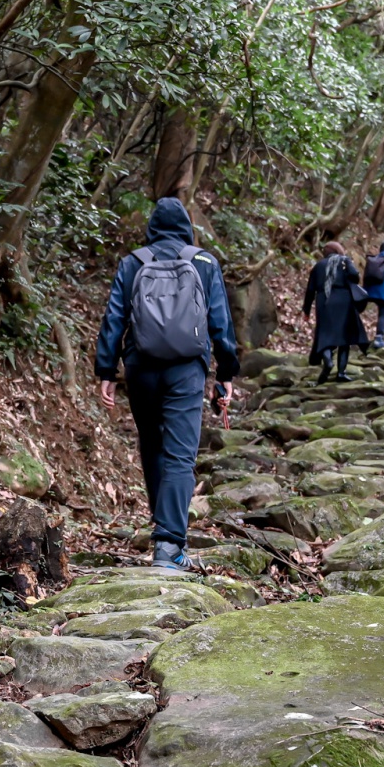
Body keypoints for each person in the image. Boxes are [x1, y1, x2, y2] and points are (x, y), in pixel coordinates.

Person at [96, 197, 240, 571]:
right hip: (186, 369)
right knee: (180, 453)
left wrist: (106, 371)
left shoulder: (133, 262)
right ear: (187, 226)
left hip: (141, 368)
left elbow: (114, 319)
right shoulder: (204, 262)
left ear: (152, 227)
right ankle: (169, 546)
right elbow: (221, 323)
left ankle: (164, 528)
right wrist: (225, 374)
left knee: (153, 445)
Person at [303, 242, 368, 383]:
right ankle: (341, 373)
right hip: (343, 299)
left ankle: (328, 362)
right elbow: (355, 277)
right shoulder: (344, 261)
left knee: (325, 335)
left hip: (323, 301)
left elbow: (309, 291)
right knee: (345, 337)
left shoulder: (318, 266)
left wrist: (306, 311)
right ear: (338, 250)